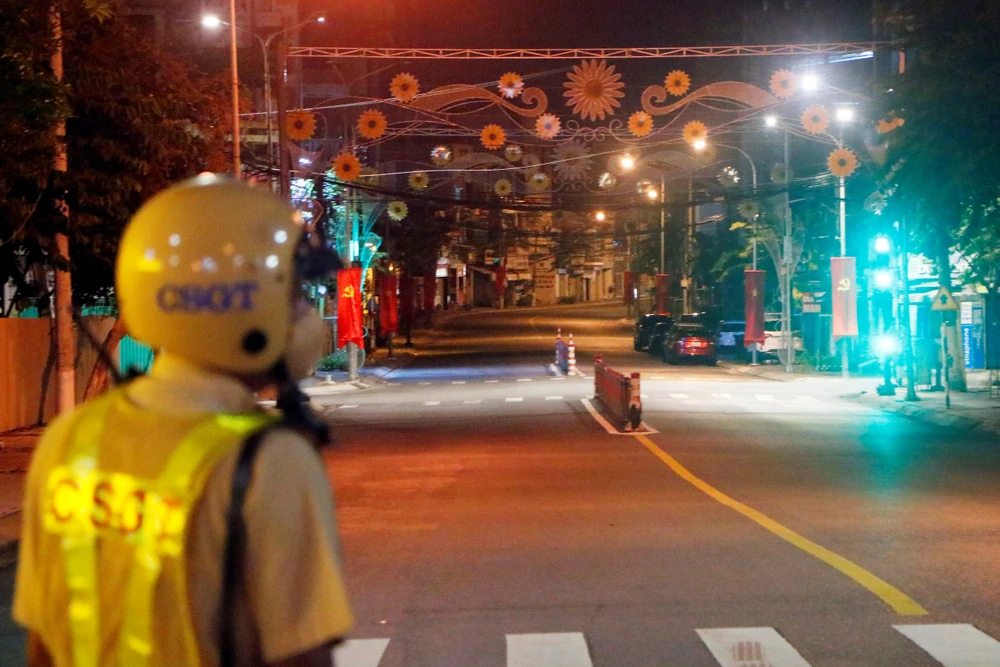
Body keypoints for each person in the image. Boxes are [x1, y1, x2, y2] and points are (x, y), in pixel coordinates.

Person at [13, 175, 353, 667]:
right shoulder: (268, 461)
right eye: (296, 294)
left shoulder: (70, 439)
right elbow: (302, 657)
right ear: (249, 306)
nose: (304, 313)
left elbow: (43, 643)